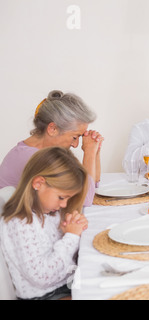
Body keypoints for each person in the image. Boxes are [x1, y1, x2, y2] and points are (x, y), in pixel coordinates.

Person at [0, 147, 89, 300]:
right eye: (62, 197)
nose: (64, 205)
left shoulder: (48, 213)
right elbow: (42, 277)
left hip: (65, 285)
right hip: (46, 295)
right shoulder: (20, 223)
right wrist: (71, 237)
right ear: (38, 183)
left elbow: (63, 262)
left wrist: (67, 231)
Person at [0, 90, 103, 206]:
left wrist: (95, 151)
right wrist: (89, 152)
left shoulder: (35, 151)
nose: (75, 145)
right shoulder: (37, 158)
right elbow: (84, 200)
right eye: (75, 137)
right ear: (53, 129)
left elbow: (92, 187)